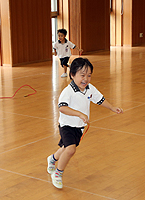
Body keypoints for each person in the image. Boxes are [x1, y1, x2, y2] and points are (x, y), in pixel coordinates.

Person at [47, 57, 123, 189]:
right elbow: (62, 107)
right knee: (70, 150)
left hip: (79, 127)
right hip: (67, 125)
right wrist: (79, 114)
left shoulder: (89, 89)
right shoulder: (68, 92)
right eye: (82, 75)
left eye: (89, 75)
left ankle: (52, 159)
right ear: (72, 75)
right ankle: (58, 173)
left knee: (65, 148)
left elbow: (100, 99)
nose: (86, 79)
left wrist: (112, 107)